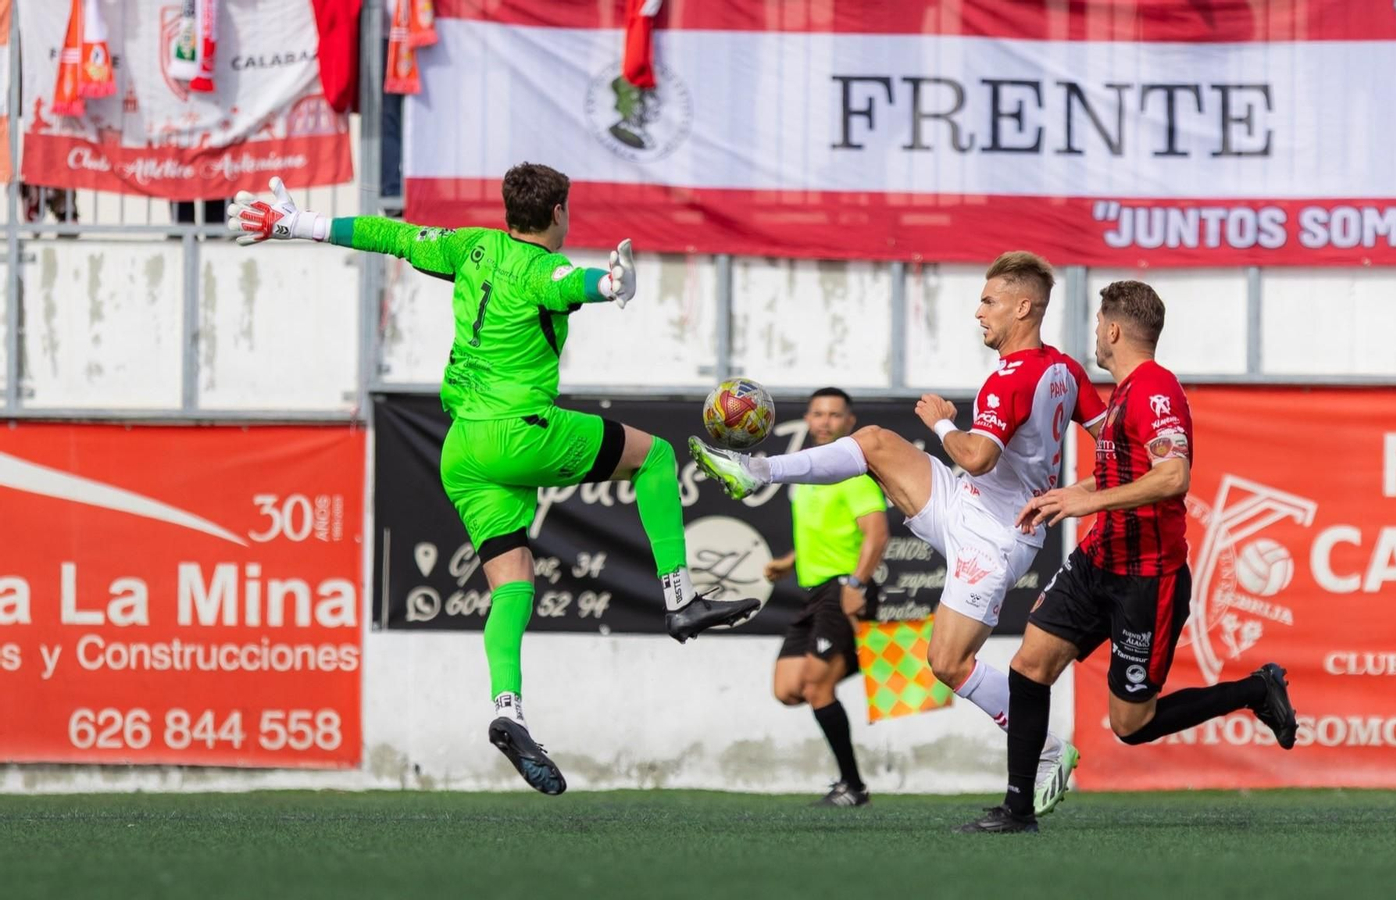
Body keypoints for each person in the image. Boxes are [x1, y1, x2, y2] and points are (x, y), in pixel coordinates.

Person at [226, 165, 761, 795]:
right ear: (559, 212)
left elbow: (389, 235)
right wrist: (612, 281)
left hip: (461, 449)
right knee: (658, 457)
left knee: (512, 584)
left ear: (509, 211)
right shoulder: (544, 269)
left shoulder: (470, 246)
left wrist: (299, 224)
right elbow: (577, 281)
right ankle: (680, 600)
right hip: (521, 432)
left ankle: (508, 710)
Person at [690, 251, 1106, 817]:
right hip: (966, 504)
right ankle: (755, 470)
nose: (978, 312)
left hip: (992, 541)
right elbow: (1109, 435)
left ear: (1023, 306)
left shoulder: (1011, 380)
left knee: (947, 662)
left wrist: (940, 420)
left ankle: (1049, 750)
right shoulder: (1064, 369)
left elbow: (978, 456)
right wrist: (1088, 486)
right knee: (876, 441)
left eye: (989, 300)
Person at [957, 281, 1298, 835]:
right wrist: (1075, 493)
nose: (1094, 334)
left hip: (1147, 578)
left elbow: (1173, 475)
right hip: (1099, 559)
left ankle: (1257, 689)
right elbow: (1130, 470)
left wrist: (1088, 499)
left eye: (1097, 324)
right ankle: (1017, 811)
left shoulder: (1154, 389)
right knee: (1029, 668)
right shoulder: (1124, 392)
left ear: (1113, 329)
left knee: (1131, 724)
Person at [766, 388, 889, 808]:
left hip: (844, 590)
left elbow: (876, 535)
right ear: (807, 418)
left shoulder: (852, 473)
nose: (825, 421)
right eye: (818, 413)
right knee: (787, 689)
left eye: (835, 415)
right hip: (814, 592)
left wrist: (855, 586)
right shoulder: (808, 476)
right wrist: (788, 562)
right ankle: (867, 655)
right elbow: (829, 535)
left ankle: (852, 786)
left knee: (817, 686)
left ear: (849, 422)